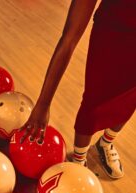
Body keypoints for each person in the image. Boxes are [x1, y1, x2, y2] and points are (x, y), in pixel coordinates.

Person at [22, 0, 136, 179]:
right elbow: (68, 40)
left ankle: (105, 143)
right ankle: (78, 159)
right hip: (113, 34)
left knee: (130, 98)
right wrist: (43, 104)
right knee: (94, 100)